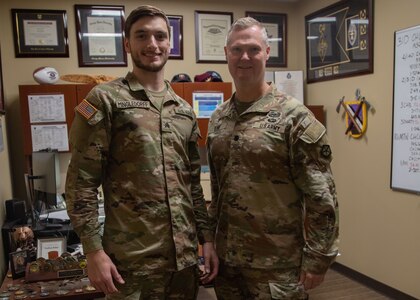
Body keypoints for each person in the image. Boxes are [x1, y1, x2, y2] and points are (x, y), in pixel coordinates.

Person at [65, 5, 218, 299]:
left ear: (169, 44)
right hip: (131, 264)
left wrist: (206, 239)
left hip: (183, 263)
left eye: (160, 36)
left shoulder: (184, 110)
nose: (152, 44)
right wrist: (93, 251)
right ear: (127, 44)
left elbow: (193, 186)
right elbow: (80, 183)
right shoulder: (105, 99)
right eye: (142, 36)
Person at [206, 17, 339, 299]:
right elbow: (217, 190)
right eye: (237, 50)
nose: (245, 57)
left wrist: (318, 257)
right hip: (228, 264)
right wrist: (209, 243)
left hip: (276, 266)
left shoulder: (295, 118)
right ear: (226, 54)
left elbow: (321, 196)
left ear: (267, 53)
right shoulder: (219, 118)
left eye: (253, 49)